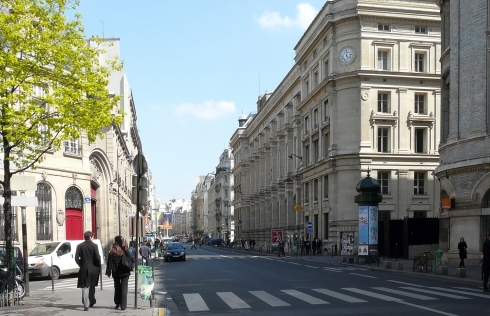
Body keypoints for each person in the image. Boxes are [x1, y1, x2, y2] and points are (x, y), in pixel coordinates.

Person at [75, 231, 101, 311]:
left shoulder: (79, 246)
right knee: (92, 285)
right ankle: (92, 301)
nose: (93, 238)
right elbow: (97, 258)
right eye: (93, 237)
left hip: (84, 268)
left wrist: (81, 264)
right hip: (93, 269)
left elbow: (76, 258)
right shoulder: (95, 246)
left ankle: (86, 304)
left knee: (85, 286)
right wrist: (98, 265)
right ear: (90, 237)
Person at [105, 236, 131, 310]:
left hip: (116, 272)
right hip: (125, 271)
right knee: (124, 288)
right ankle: (123, 306)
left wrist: (108, 271)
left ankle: (117, 303)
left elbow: (110, 262)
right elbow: (130, 258)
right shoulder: (125, 249)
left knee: (117, 287)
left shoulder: (113, 250)